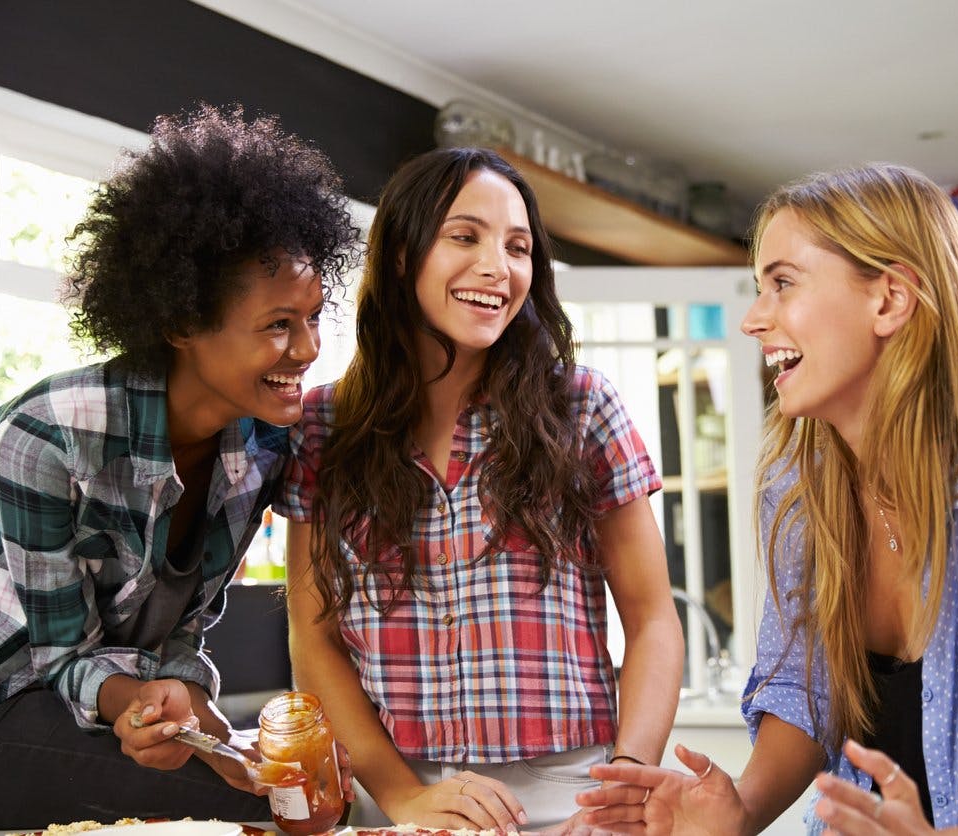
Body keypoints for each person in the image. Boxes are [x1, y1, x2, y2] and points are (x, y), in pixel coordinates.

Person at [576, 163, 958, 834]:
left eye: (782, 283)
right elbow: (806, 692)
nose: (752, 319)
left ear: (889, 300)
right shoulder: (799, 494)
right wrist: (740, 811)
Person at [0, 104, 360, 829]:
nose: (308, 349)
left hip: (77, 705)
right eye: (279, 324)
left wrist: (207, 725)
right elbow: (62, 658)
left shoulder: (263, 448)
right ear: (183, 323)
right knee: (253, 809)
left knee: (296, 796)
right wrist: (142, 712)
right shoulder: (49, 436)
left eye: (313, 317)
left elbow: (179, 632)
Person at [275, 146, 684, 833]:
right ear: (401, 256)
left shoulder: (581, 406)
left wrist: (626, 786)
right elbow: (314, 639)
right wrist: (402, 797)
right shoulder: (324, 425)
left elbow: (652, 621)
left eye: (518, 247)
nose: (499, 267)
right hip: (399, 795)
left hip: (569, 798)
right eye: (465, 237)